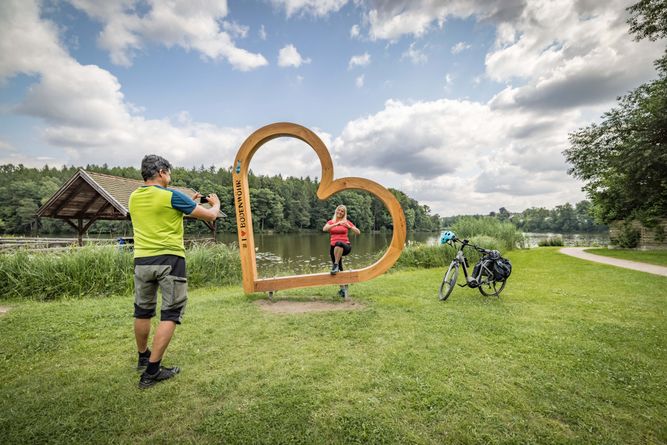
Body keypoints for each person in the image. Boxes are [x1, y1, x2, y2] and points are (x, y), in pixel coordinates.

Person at [128, 154, 220, 389]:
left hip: (142, 261)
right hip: (170, 259)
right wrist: (215, 204)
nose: (170, 176)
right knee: (170, 312)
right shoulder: (170, 195)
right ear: (161, 172)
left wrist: (191, 201)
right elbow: (209, 216)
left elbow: (165, 212)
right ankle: (152, 371)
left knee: (143, 311)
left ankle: (142, 356)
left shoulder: (134, 197)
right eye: (168, 172)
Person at [322, 204, 361, 275]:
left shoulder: (346, 222)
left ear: (344, 213)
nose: (340, 212)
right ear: (336, 211)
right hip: (333, 248)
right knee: (339, 269)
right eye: (339, 210)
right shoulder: (331, 222)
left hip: (346, 246)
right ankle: (343, 284)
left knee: (339, 243)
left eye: (342, 211)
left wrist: (350, 227)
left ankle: (335, 264)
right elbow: (324, 229)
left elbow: (358, 232)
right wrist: (336, 224)